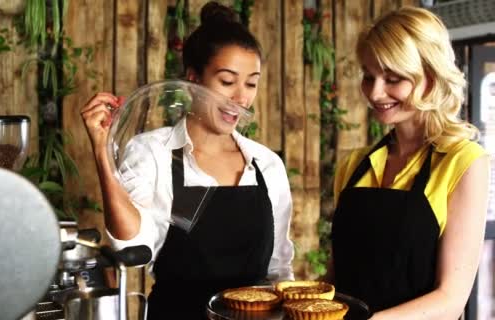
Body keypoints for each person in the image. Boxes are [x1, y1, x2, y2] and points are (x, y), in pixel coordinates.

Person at [80, 2, 294, 319]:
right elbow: (130, 249)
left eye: (251, 83)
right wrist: (101, 150)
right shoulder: (154, 152)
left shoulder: (266, 165)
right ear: (192, 80)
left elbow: (279, 270)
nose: (241, 98)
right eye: (226, 81)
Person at [331, 7, 490, 319]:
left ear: (430, 78)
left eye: (393, 79)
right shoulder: (353, 165)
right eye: (369, 76)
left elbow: (450, 300)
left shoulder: (464, 162)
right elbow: (338, 280)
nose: (375, 93)